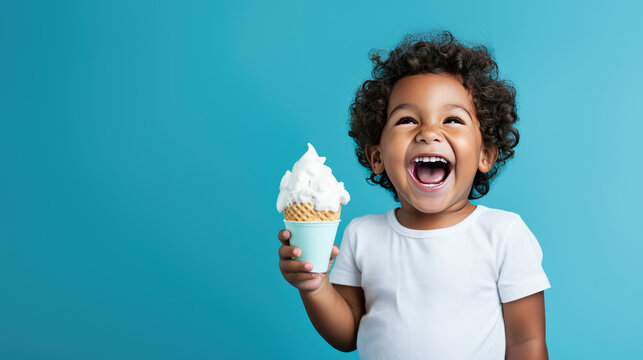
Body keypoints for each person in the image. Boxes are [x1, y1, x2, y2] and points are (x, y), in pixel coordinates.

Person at [277, 30, 551, 360]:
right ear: (377, 157)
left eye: (452, 119)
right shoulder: (362, 235)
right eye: (407, 120)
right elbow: (348, 333)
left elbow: (526, 343)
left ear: (486, 154)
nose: (429, 133)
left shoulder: (504, 234)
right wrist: (316, 285)